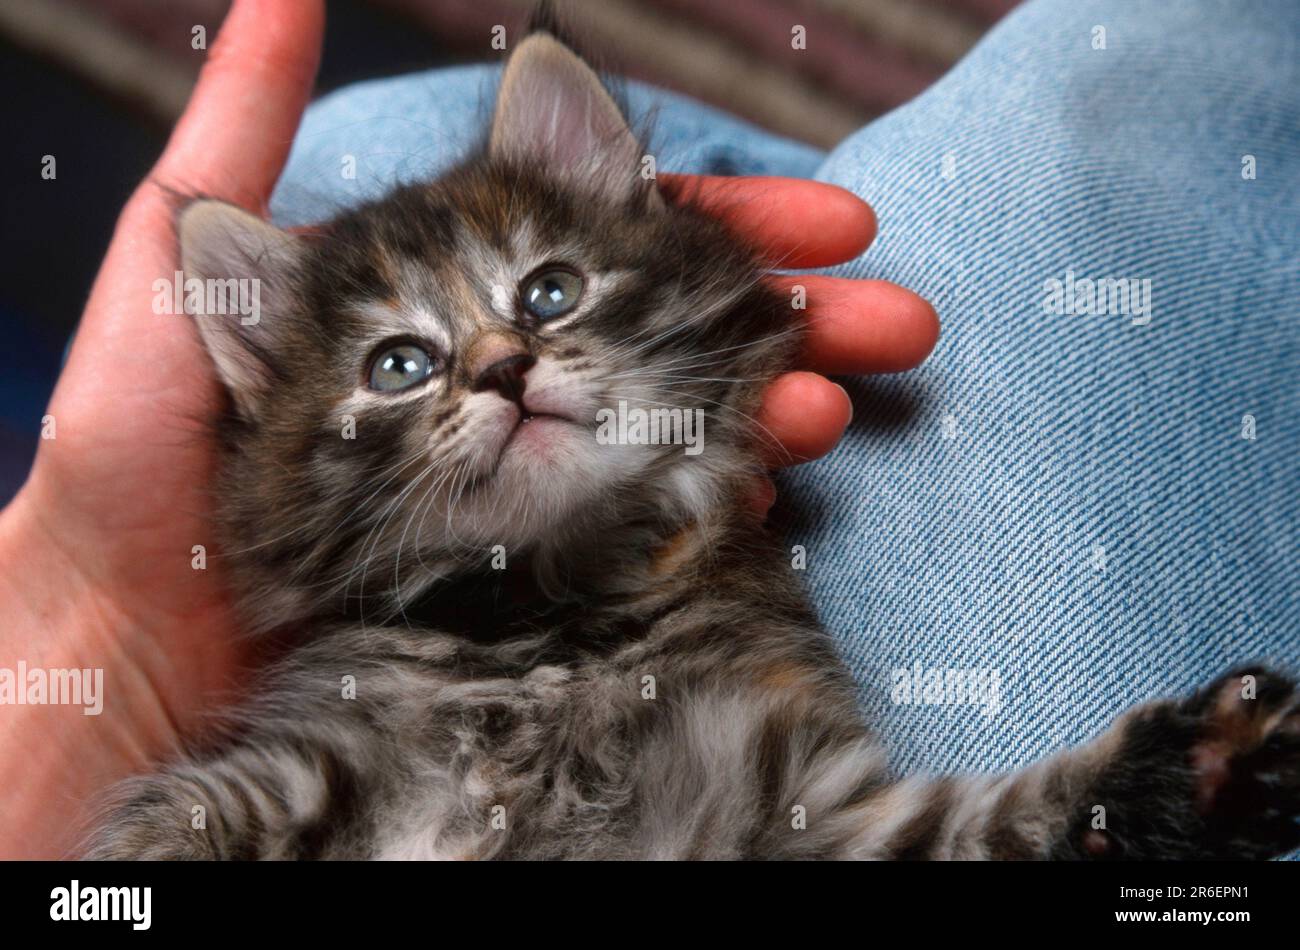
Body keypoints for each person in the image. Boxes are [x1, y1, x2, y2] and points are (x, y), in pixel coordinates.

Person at [1, 0, 1295, 860]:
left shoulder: (722, 618)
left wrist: (1119, 805)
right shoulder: (363, 693)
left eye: (545, 293)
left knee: (350, 148)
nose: (501, 361)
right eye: (406, 362)